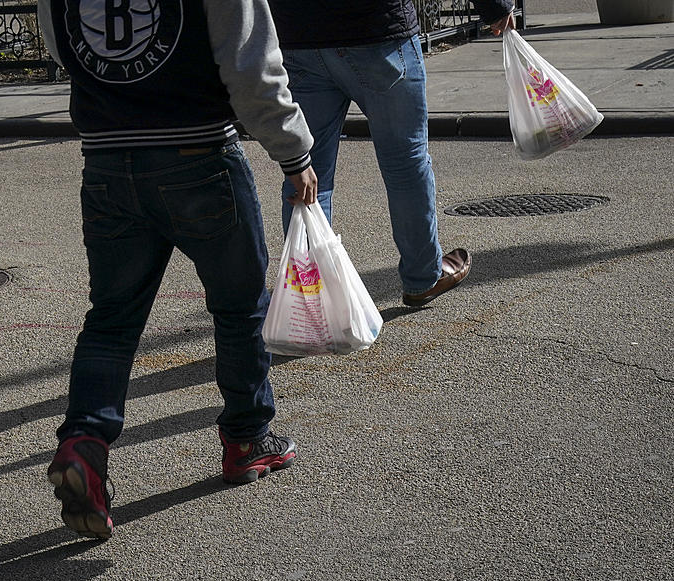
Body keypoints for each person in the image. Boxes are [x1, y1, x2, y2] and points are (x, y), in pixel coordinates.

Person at [37, 0, 318, 539]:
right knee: (239, 306)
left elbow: (64, 48)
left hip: (106, 158)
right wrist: (294, 152)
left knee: (113, 319)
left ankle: (83, 444)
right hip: (199, 152)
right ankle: (246, 438)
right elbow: (250, 64)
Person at [267, 0, 515, 307]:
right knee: (405, 165)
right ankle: (422, 277)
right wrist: (495, 6)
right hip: (378, 30)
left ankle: (309, 299)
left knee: (306, 172)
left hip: (299, 34)